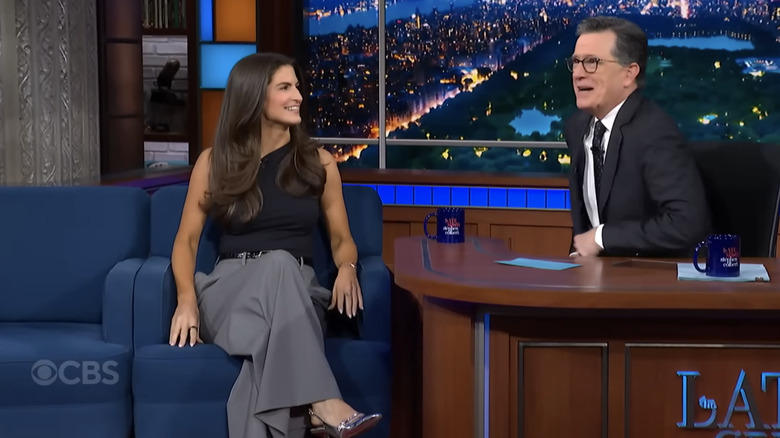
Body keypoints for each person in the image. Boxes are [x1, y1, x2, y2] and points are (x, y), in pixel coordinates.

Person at [168, 52, 382, 438]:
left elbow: (342, 239)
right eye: (285, 87)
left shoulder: (320, 163)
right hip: (230, 293)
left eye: (297, 86)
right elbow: (186, 241)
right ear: (254, 97)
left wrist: (347, 269)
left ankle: (312, 407)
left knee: (271, 323)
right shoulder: (214, 162)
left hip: (299, 296)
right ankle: (323, 401)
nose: (298, 95)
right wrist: (186, 300)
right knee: (278, 263)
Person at [564, 16, 711, 257]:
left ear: (629, 73)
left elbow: (686, 224)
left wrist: (602, 237)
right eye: (576, 62)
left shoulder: (654, 130)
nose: (578, 73)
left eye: (591, 62)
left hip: (649, 274)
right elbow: (587, 223)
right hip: (595, 275)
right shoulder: (577, 127)